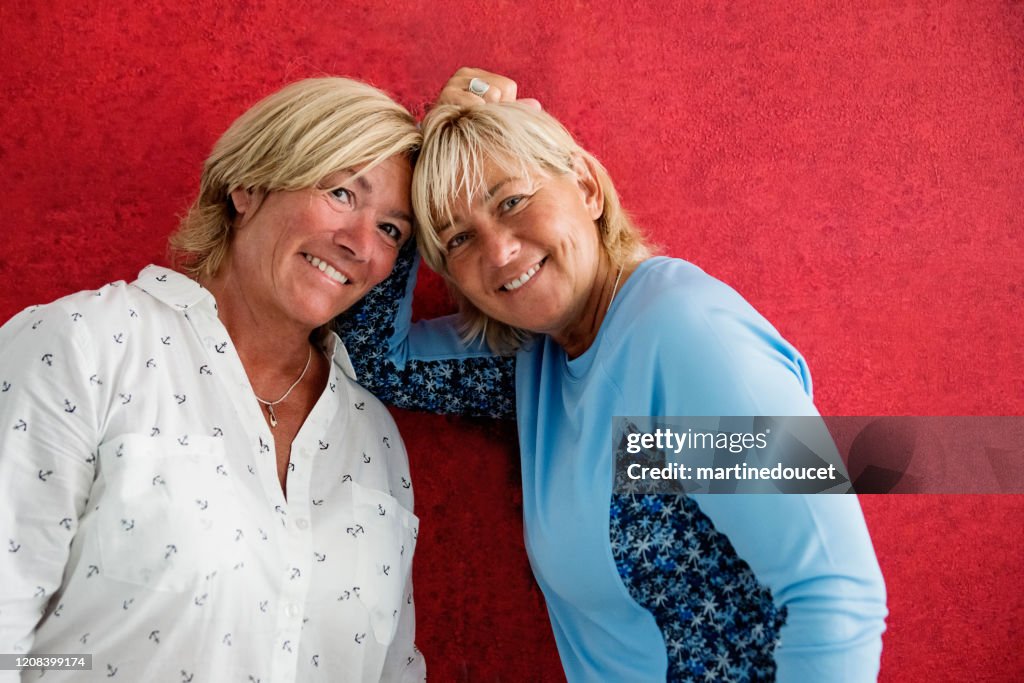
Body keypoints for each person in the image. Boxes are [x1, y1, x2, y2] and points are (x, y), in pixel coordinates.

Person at [337, 69, 888, 682]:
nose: (497, 252)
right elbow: (375, 361)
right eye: (460, 239)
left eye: (512, 201)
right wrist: (413, 173)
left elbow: (838, 596)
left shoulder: (684, 337)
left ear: (588, 187)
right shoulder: (539, 360)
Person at [0, 77, 424, 682]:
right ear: (248, 186)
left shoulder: (374, 437)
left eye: (391, 230)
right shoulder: (84, 347)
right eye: (339, 193)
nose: (360, 244)